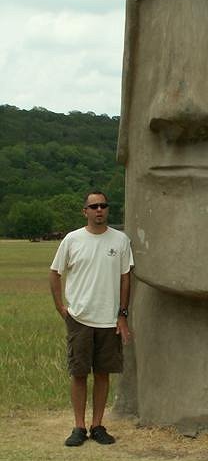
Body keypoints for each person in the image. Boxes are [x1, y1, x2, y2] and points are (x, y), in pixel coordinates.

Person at [49, 191, 134, 447]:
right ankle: (79, 427)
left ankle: (97, 425)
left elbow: (125, 278)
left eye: (103, 206)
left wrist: (122, 314)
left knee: (103, 373)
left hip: (108, 319)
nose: (99, 210)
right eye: (94, 206)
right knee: (79, 373)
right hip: (80, 317)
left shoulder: (120, 240)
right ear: (84, 211)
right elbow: (55, 273)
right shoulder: (72, 239)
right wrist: (61, 308)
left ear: (107, 210)